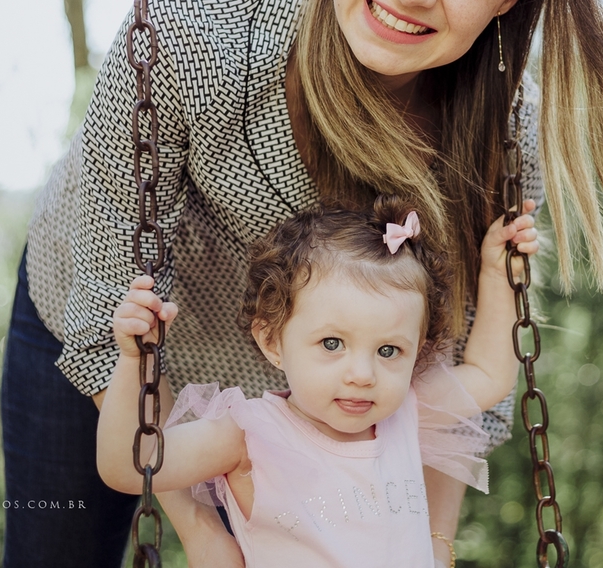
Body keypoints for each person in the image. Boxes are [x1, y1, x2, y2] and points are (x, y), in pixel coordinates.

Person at [0, 0, 603, 566]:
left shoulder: (499, 136)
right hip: (106, 346)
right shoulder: (192, 32)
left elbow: (465, 387)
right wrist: (207, 535)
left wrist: (431, 547)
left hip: (338, 389)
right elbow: (109, 312)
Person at [98, 197, 539, 567]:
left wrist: (496, 273)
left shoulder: (405, 410)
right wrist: (134, 361)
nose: (362, 375)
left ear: (417, 350)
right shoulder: (249, 435)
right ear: (272, 341)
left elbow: (489, 375)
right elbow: (129, 465)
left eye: (389, 351)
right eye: (332, 343)